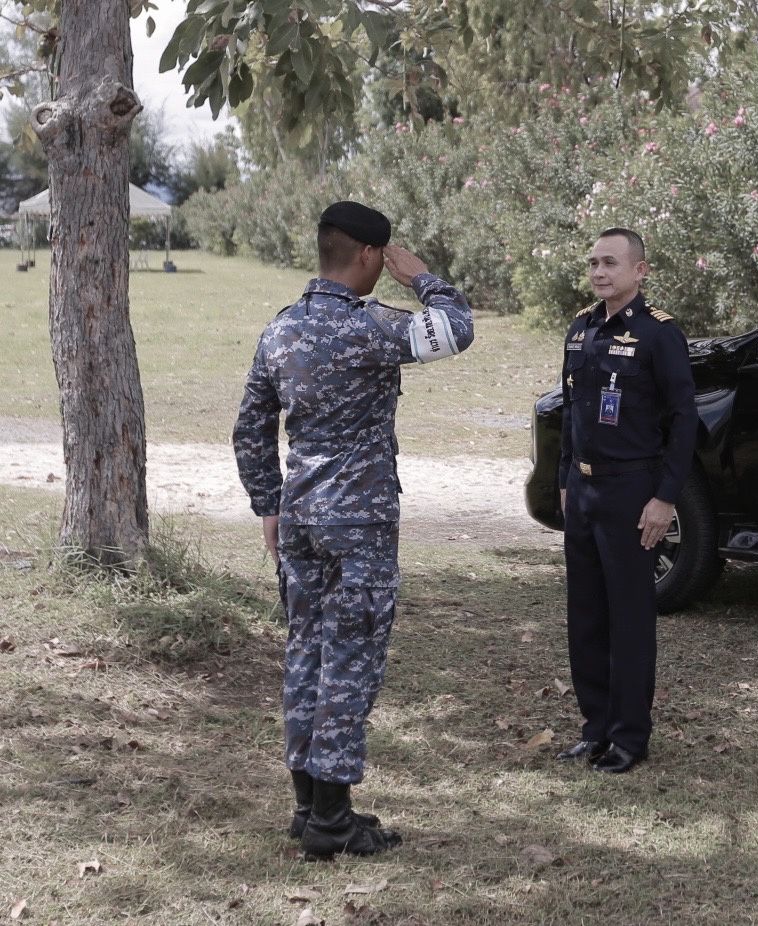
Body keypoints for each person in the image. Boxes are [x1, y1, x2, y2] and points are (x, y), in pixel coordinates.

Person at [233, 201, 474, 857]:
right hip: (358, 525)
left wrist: (268, 504)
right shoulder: (371, 327)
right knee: (348, 663)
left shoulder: (281, 329)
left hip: (301, 519)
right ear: (369, 255)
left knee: (306, 654)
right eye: (382, 256)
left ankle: (309, 806)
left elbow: (250, 427)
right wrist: (421, 277)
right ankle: (332, 824)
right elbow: (456, 329)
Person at [553, 227, 697, 774]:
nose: (599, 272)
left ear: (639, 271)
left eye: (610, 263)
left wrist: (665, 498)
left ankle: (629, 738)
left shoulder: (659, 334)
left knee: (629, 620)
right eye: (594, 262)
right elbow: (571, 411)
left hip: (632, 492)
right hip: (583, 490)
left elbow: (683, 420)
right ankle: (595, 729)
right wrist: (564, 479)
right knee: (586, 616)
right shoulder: (580, 329)